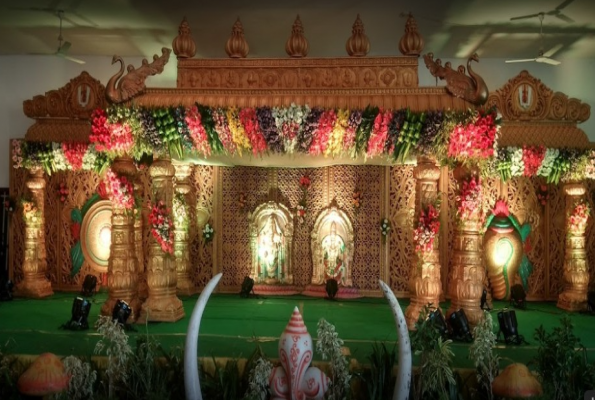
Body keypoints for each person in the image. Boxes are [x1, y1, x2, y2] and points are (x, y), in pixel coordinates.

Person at [257, 214, 285, 282]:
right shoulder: (265, 234)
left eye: (273, 223)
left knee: (273, 259)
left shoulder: (276, 234)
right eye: (270, 223)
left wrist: (279, 241)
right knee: (269, 259)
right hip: (268, 249)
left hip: (274, 249)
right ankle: (267, 275)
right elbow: (262, 240)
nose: (271, 225)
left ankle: (275, 276)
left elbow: (280, 240)